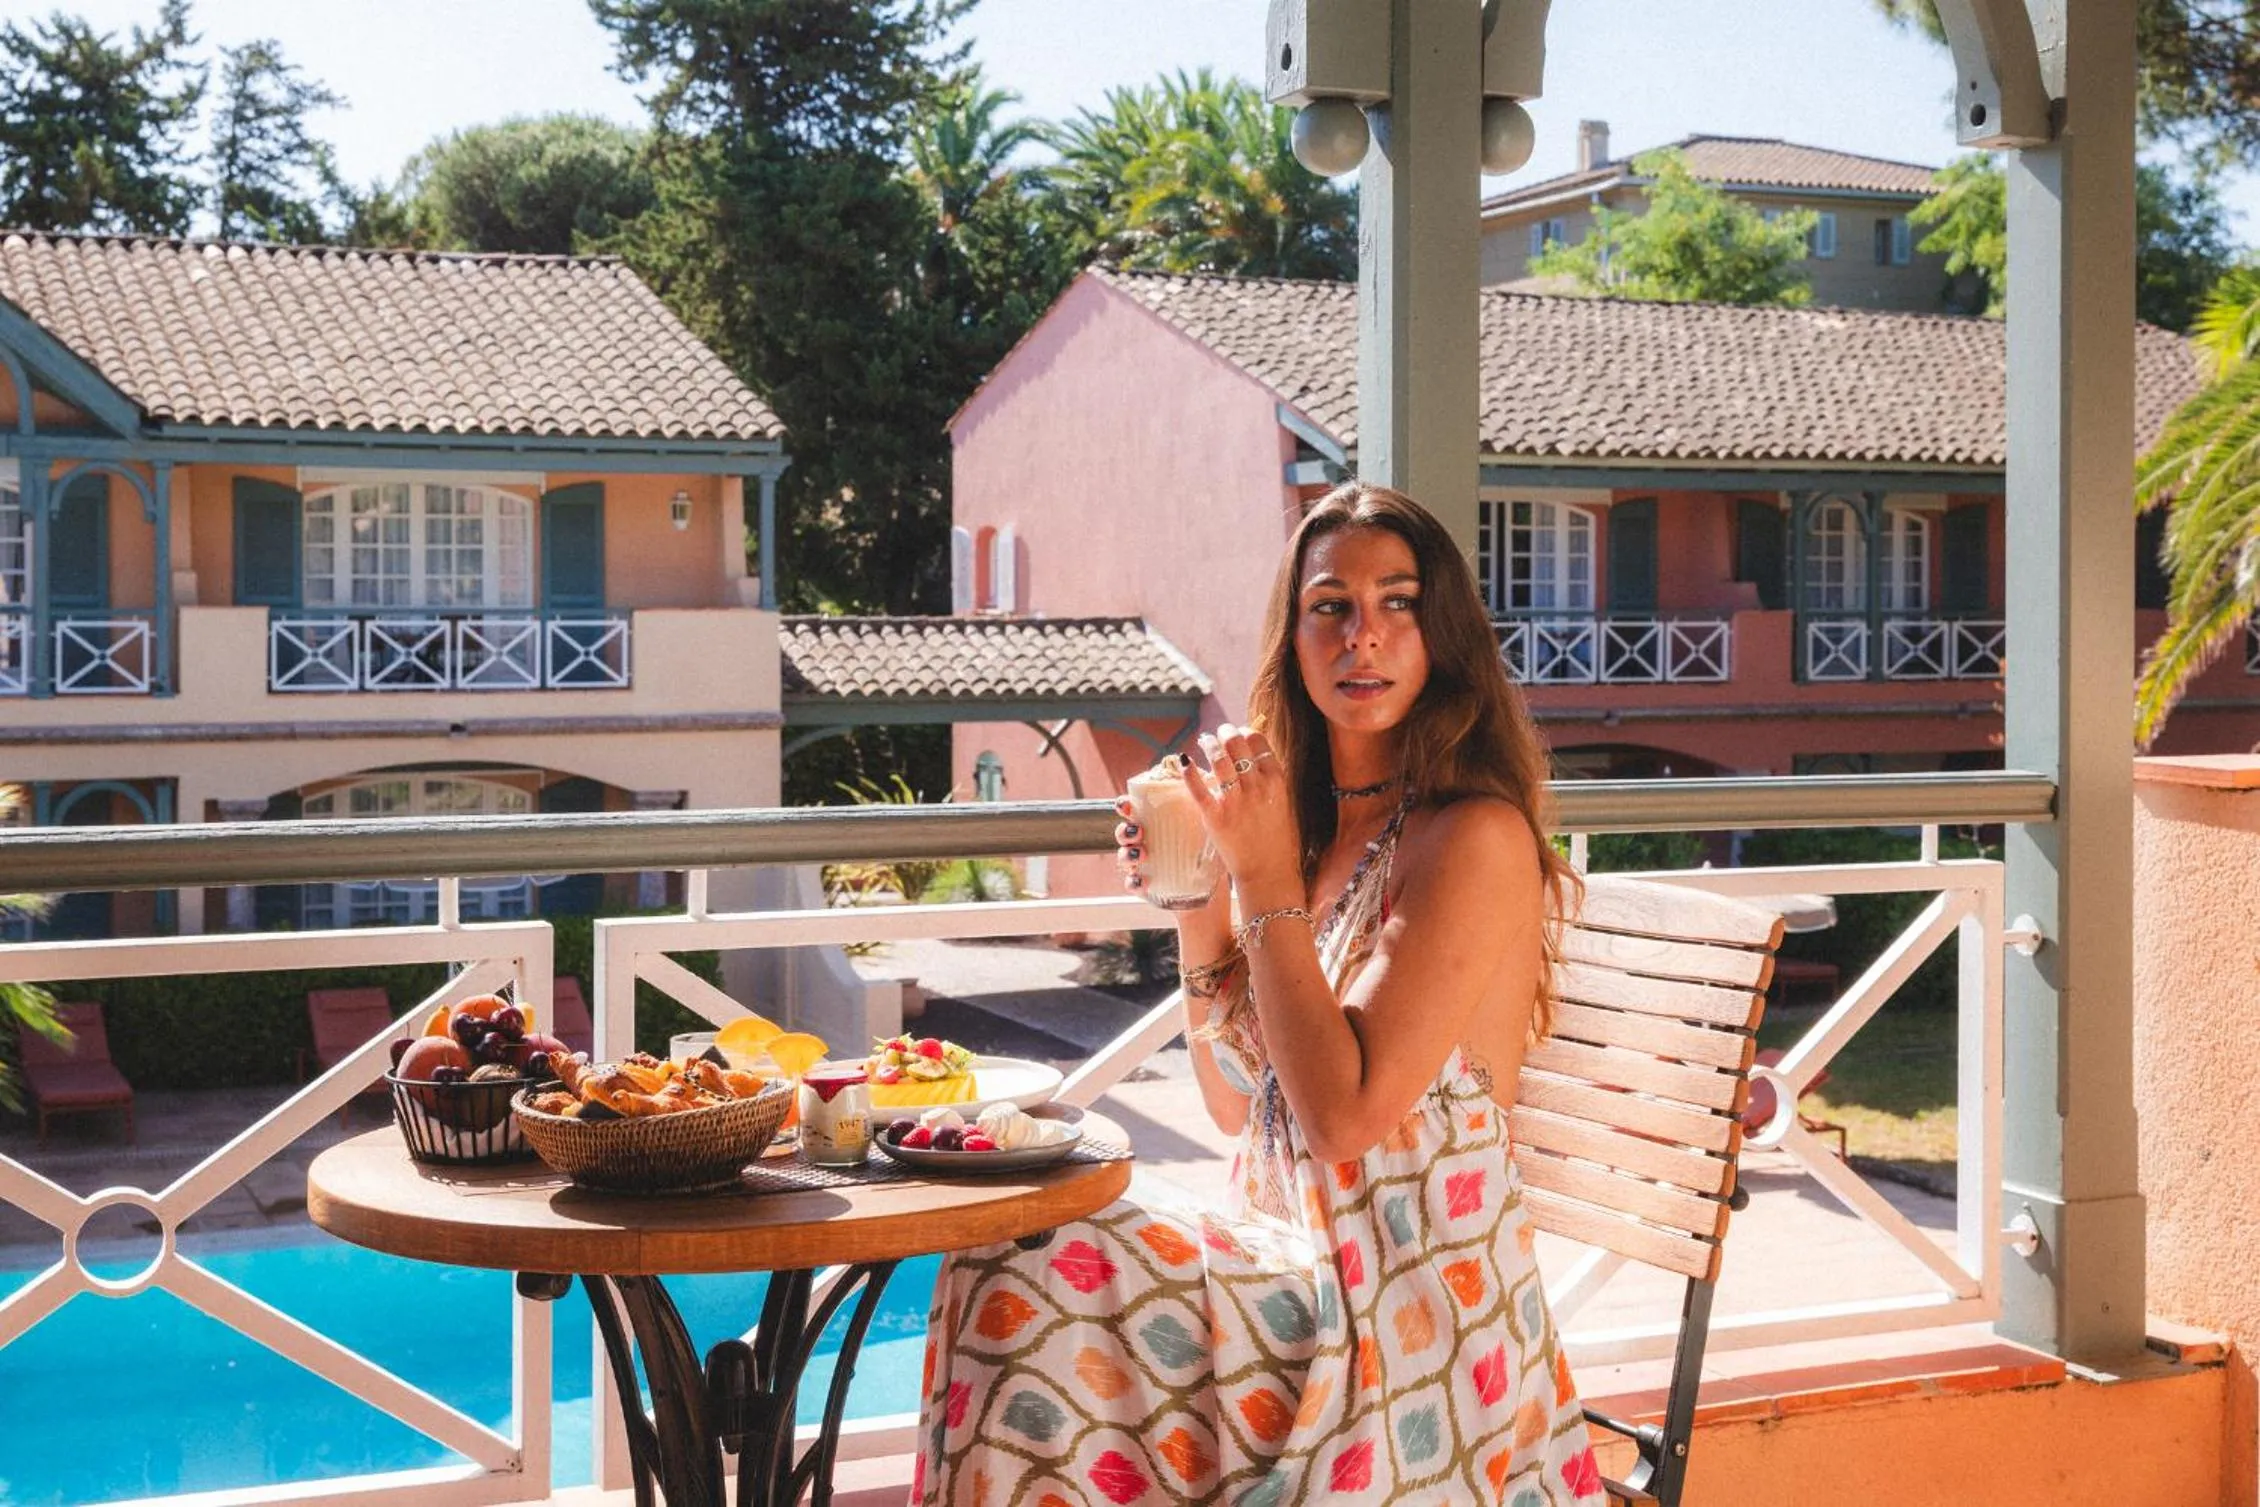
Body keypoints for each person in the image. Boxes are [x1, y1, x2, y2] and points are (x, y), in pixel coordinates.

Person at [912, 483, 1604, 1505]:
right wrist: (1199, 894)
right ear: (1294, 636)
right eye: (1330, 604)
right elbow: (1241, 1104)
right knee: (1003, 1236)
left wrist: (1264, 876)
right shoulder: (1320, 836)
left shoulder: (1474, 838)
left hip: (1409, 1310)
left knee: (1039, 1277)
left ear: (1442, 634)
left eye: (1398, 602)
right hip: (1283, 1259)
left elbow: (1342, 1121)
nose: (1362, 635)